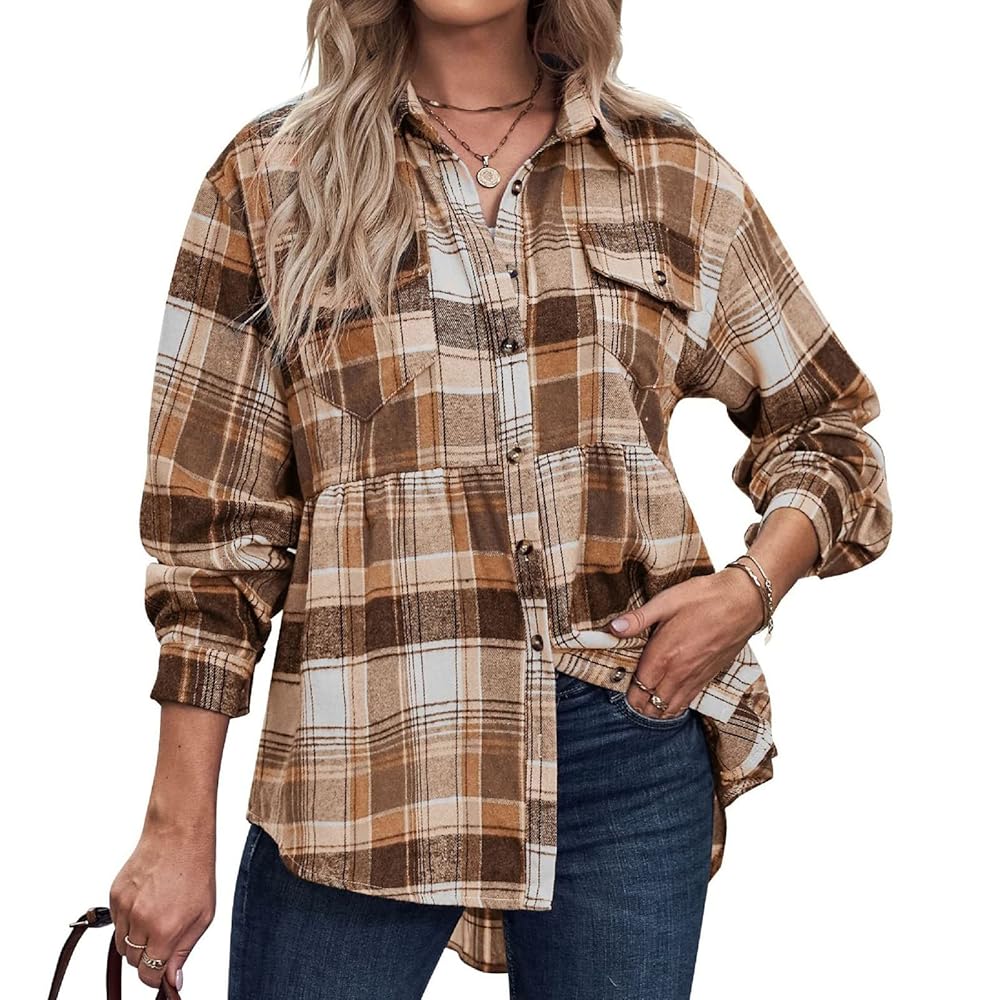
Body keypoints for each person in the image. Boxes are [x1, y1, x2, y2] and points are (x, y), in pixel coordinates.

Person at [108, 1, 893, 997]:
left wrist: (749, 590)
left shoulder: (666, 170)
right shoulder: (271, 180)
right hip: (362, 758)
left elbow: (828, 427)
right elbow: (213, 547)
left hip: (624, 738)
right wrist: (176, 829)